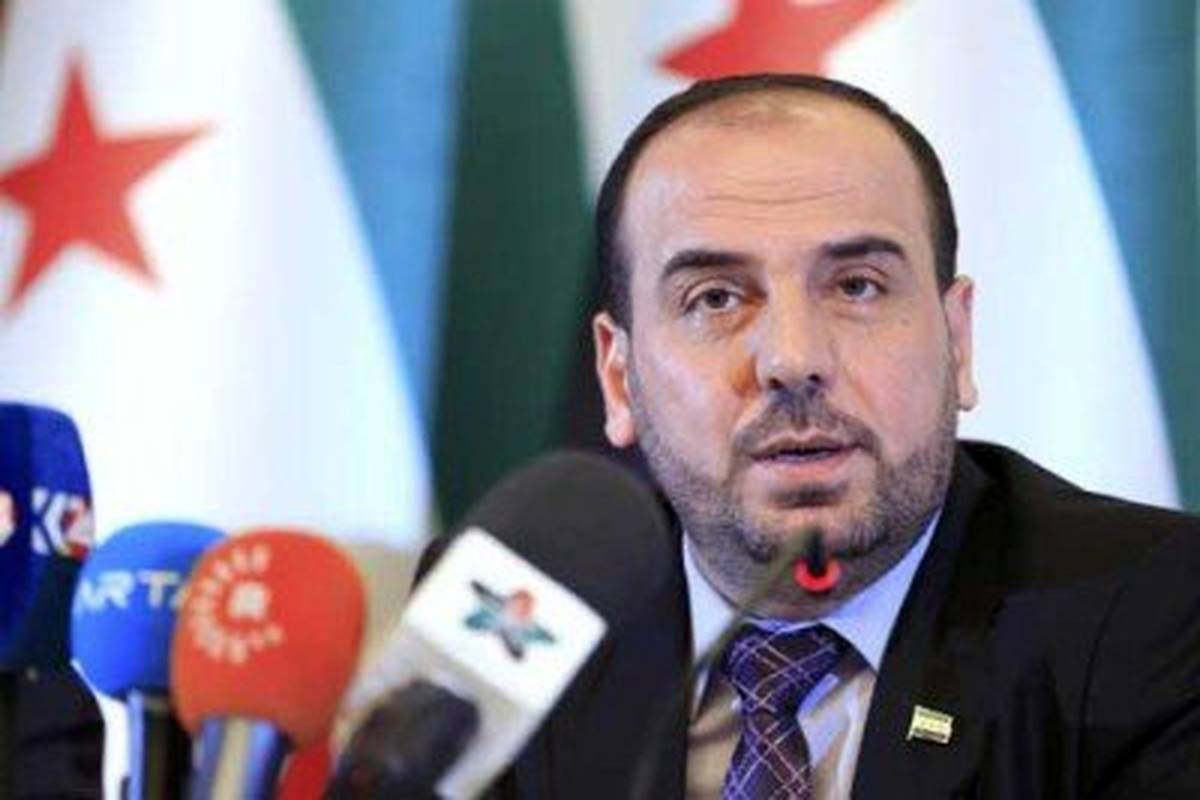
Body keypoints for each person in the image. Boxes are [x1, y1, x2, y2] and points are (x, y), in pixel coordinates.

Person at [481, 73, 1200, 799]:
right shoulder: (516, 620)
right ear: (617, 376)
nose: (793, 360)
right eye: (716, 298)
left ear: (957, 342)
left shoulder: (1157, 611)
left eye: (857, 286)